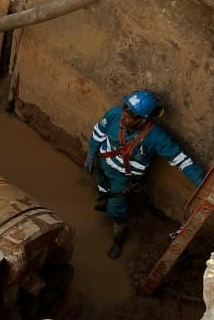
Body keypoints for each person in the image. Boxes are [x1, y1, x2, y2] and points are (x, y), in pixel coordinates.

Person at [84, 90, 205, 258]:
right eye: (124, 111)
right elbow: (98, 133)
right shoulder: (114, 114)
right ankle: (104, 198)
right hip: (103, 165)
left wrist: (202, 182)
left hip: (122, 178)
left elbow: (180, 160)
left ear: (143, 120)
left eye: (129, 117)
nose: (123, 118)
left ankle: (119, 236)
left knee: (115, 210)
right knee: (102, 186)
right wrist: (91, 154)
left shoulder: (156, 137)